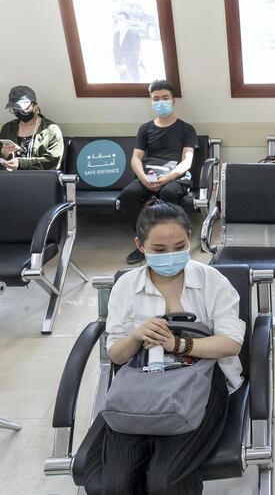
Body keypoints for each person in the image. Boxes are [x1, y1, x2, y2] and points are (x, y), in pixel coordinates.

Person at [82, 200, 244, 495]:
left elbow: (231, 343)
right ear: (140, 245)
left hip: (202, 383)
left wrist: (178, 344)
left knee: (165, 480)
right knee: (115, 484)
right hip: (141, 386)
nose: (171, 255)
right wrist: (136, 336)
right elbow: (116, 354)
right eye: (159, 250)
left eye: (180, 245)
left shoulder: (211, 281)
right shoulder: (126, 286)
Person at [118, 79, 198, 264]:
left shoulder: (186, 129)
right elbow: (136, 158)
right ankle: (146, 242)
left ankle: (175, 243)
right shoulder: (145, 129)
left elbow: (187, 160)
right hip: (149, 175)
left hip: (175, 176)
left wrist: (168, 178)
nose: (160, 102)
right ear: (151, 101)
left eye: (165, 98)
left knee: (168, 193)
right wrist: (143, 177)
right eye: (156, 98)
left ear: (173, 100)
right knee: (128, 197)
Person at [0, 85, 64, 170]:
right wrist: (4, 154)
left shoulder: (51, 130)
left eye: (24, 110)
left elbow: (53, 161)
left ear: (35, 105)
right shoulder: (8, 128)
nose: (20, 113)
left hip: (39, 179)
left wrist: (21, 163)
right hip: (10, 179)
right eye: (15, 110)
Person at [113, 11, 142, 82]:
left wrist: (125, 66)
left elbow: (135, 53)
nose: (119, 22)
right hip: (121, 71)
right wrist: (117, 64)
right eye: (118, 20)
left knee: (134, 90)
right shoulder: (116, 35)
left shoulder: (134, 35)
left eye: (121, 20)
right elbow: (115, 51)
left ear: (127, 21)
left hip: (131, 70)